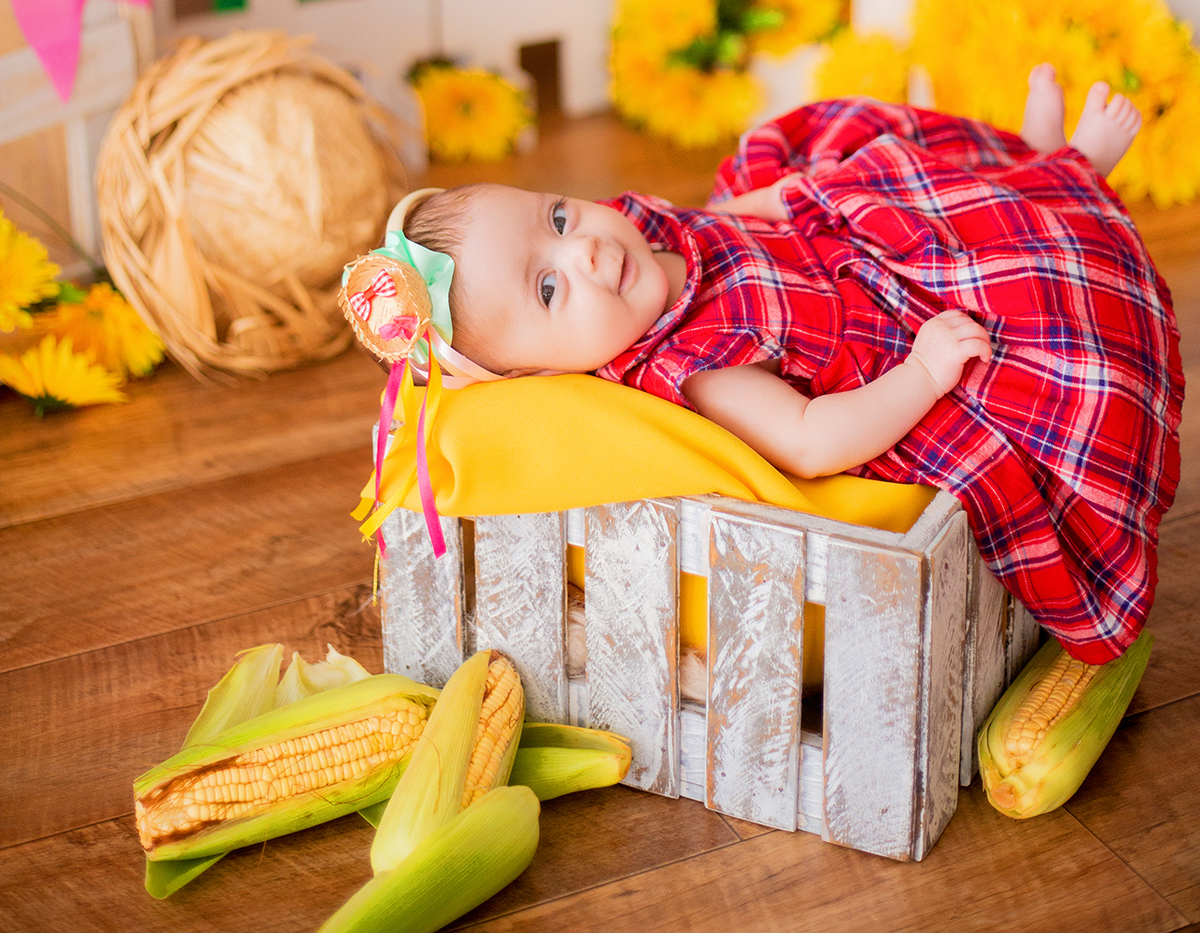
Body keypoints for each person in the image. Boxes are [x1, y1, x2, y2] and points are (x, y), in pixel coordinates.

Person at [392, 69, 1181, 665]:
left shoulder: (631, 232)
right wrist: (923, 374)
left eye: (558, 216)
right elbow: (808, 438)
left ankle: (1037, 165)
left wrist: (794, 199)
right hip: (885, 334)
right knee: (1029, 297)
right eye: (549, 288)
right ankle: (1075, 175)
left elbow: (718, 219)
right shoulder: (693, 366)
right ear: (544, 375)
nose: (586, 250)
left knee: (882, 166)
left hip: (835, 245)